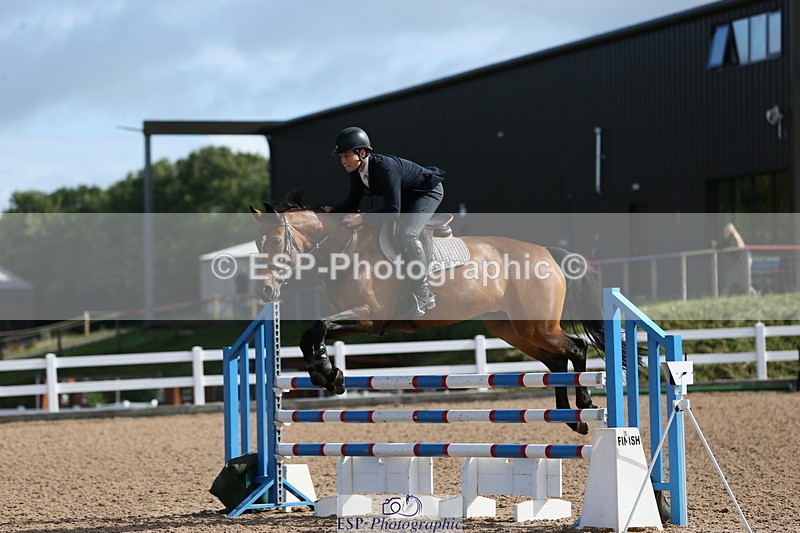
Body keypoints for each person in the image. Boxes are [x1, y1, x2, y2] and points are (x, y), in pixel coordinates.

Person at [331, 126, 445, 318]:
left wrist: (362, 218)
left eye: (346, 156)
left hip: (428, 192)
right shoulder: (357, 173)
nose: (342, 161)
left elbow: (393, 211)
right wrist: (330, 211)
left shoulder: (385, 168)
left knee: (408, 234)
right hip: (408, 197)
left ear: (363, 153)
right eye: (341, 157)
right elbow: (351, 203)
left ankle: (423, 293)